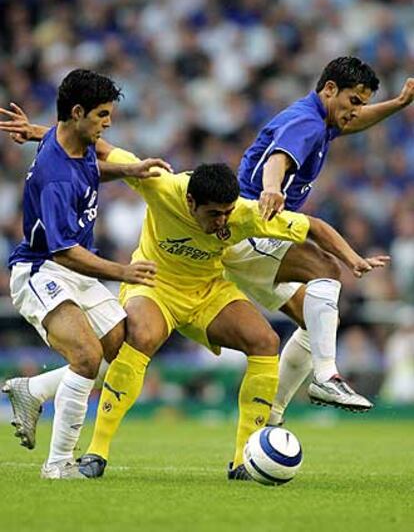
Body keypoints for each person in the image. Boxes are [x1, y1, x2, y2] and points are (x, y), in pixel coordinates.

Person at [73, 145, 387, 480]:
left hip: (209, 291)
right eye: (214, 214)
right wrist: (41, 134)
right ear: (191, 203)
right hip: (155, 285)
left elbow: (313, 227)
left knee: (264, 340)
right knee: (143, 335)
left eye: (227, 212)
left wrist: (352, 259)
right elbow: (102, 147)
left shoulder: (244, 212)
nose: (223, 220)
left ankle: (241, 461)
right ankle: (97, 451)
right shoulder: (161, 185)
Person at [222, 56, 414, 423]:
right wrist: (272, 189)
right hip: (251, 227)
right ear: (329, 89)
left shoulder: (321, 118)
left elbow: (354, 123)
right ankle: (326, 376)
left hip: (254, 234)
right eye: (354, 101)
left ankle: (270, 416)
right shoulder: (307, 123)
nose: (356, 111)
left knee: (317, 322)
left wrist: (398, 104)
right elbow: (279, 158)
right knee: (326, 268)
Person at [2, 69, 171, 479]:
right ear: (77, 113)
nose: (107, 123)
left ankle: (34, 390)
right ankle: (58, 466)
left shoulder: (71, 141)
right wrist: (122, 271)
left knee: (122, 347)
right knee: (86, 357)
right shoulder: (55, 175)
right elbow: (64, 252)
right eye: (101, 115)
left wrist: (129, 171)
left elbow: (88, 164)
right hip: (43, 269)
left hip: (74, 267)